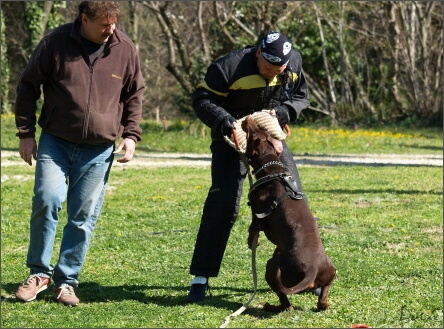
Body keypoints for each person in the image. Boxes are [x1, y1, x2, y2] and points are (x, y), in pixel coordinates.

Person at [14, 1, 144, 306]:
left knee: (83, 217)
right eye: (103, 24)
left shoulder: (124, 48)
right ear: (83, 19)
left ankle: (67, 281)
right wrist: (25, 134)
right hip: (55, 141)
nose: (110, 30)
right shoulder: (54, 43)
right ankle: (38, 274)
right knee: (47, 200)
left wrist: (131, 135)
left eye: (113, 23)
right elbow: (28, 86)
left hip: (99, 149)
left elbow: (135, 93)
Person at [187, 31, 317, 302]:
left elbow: (300, 96)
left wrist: (282, 113)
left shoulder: (293, 62)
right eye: (268, 67)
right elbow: (202, 99)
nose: (272, 73)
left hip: (269, 138)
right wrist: (225, 122)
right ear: (258, 52)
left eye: (278, 69)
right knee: (224, 204)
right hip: (231, 138)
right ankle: (201, 277)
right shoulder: (228, 67)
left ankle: (301, 270)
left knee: (293, 198)